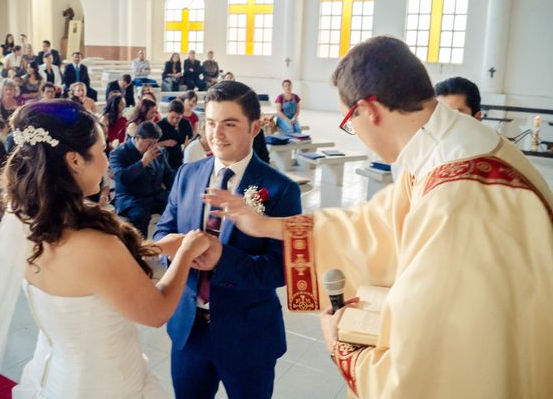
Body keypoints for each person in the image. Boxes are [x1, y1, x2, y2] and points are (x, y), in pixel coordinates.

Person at [204, 36, 553, 398]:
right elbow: (377, 224)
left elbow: (421, 373)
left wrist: (343, 348)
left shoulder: (457, 198)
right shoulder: (452, 146)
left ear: (368, 110)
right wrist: (267, 226)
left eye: (348, 121)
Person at [0, 99, 213, 398]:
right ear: (74, 160)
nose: (107, 162)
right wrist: (187, 251)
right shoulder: (95, 245)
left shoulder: (22, 217)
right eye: (101, 152)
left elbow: (90, 276)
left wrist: (157, 246)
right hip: (107, 384)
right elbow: (156, 312)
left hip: (55, 374)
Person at [154, 81, 302, 399]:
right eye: (210, 123)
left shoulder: (281, 190)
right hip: (189, 329)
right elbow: (162, 232)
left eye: (229, 124)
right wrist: (176, 252)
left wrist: (223, 259)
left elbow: (281, 270)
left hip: (248, 334)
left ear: (255, 127)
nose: (216, 134)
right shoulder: (187, 175)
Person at [110, 121, 175, 237]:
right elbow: (121, 177)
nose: (153, 146)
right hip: (132, 198)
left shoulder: (158, 151)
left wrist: (178, 191)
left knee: (177, 205)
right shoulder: (119, 153)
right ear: (137, 137)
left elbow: (168, 174)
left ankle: (169, 246)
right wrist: (143, 162)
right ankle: (140, 251)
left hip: (155, 195)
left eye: (155, 143)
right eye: (150, 143)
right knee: (140, 216)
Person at [157, 99, 193, 171]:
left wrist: (188, 144)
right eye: (172, 117)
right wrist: (164, 143)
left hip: (182, 159)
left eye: (178, 118)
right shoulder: (159, 126)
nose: (175, 120)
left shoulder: (185, 123)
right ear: (168, 113)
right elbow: (151, 145)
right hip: (165, 162)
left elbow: (189, 138)